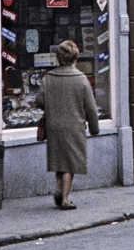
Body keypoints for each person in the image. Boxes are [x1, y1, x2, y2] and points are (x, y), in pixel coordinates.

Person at [37, 40, 101, 210]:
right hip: (74, 126)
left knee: (60, 160)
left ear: (58, 57)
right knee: (70, 163)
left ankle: (59, 189)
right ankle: (65, 198)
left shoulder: (49, 78)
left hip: (54, 125)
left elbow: (40, 101)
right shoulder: (81, 80)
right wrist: (95, 128)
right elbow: (91, 108)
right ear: (75, 57)